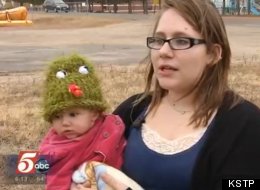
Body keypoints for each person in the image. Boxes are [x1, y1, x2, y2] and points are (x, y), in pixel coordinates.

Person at [102, 0, 260, 189]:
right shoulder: (131, 110)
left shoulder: (247, 125)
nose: (163, 51)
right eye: (159, 40)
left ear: (213, 54)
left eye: (181, 41)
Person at [38, 54, 126, 190]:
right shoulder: (59, 150)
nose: (65, 122)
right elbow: (56, 183)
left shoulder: (110, 124)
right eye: (57, 116)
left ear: (94, 114)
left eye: (73, 114)